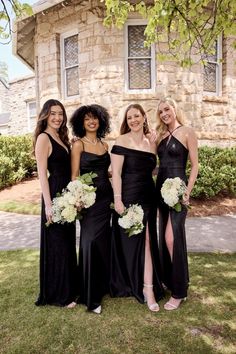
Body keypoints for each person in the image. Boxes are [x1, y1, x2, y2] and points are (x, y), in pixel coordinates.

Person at [110, 103, 164, 312]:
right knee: (135, 242)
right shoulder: (121, 141)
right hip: (129, 196)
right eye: (129, 117)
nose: (133, 120)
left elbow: (151, 169)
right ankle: (140, 285)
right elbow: (116, 173)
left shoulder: (151, 142)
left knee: (148, 240)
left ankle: (148, 287)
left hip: (148, 196)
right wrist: (118, 200)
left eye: (136, 116)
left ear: (144, 117)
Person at [33, 99, 78, 308]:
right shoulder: (43, 138)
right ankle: (58, 295)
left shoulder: (60, 137)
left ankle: (69, 289)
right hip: (54, 193)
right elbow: (42, 173)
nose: (57, 117)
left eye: (60, 113)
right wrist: (48, 205)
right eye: (53, 113)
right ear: (45, 115)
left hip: (66, 192)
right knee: (57, 244)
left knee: (67, 241)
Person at [155, 97, 198, 310]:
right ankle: (170, 280)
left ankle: (179, 291)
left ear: (174, 109)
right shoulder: (160, 135)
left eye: (167, 109)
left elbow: (195, 166)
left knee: (172, 238)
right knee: (164, 237)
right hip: (161, 189)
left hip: (178, 191)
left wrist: (187, 192)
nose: (164, 114)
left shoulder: (188, 131)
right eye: (161, 111)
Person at [70, 104, 113, 314]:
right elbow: (75, 175)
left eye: (95, 118)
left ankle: (103, 286)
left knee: (104, 244)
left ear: (101, 121)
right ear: (81, 122)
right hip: (88, 201)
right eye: (87, 119)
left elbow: (107, 172)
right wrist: (78, 198)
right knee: (90, 242)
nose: (91, 122)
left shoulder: (105, 145)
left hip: (107, 199)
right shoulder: (78, 145)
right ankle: (90, 295)